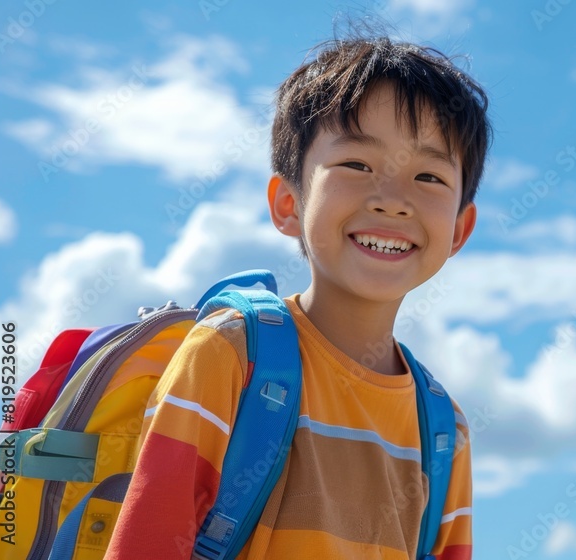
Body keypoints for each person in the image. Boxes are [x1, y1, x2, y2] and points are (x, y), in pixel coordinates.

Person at [105, 32, 491, 560]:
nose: (393, 200)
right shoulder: (228, 357)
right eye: (357, 165)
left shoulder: (446, 431)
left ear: (458, 232)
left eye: (428, 175)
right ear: (288, 202)